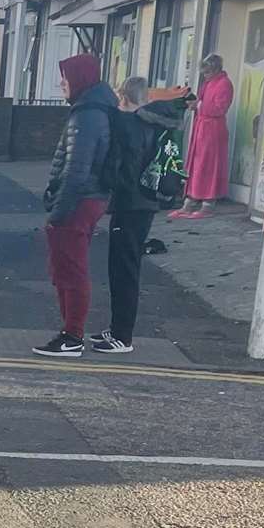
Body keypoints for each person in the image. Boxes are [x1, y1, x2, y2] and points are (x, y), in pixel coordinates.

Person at [93, 76, 188, 354]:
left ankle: (122, 335)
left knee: (123, 270)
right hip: (147, 201)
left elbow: (123, 168)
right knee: (127, 267)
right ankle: (119, 328)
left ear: (124, 98)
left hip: (130, 203)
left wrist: (108, 187)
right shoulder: (156, 122)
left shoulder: (129, 126)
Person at [36, 54, 117, 358]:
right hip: (89, 198)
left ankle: (72, 336)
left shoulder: (87, 115)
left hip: (79, 201)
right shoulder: (95, 109)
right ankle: (69, 333)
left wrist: (58, 213)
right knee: (67, 266)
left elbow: (76, 170)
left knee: (70, 268)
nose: (61, 83)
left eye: (66, 78)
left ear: (79, 78)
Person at [173, 54, 233, 218]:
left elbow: (219, 108)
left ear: (215, 70)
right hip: (202, 127)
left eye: (207, 72)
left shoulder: (224, 84)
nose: (205, 76)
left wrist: (199, 105)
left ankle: (208, 202)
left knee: (209, 165)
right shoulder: (209, 83)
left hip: (212, 129)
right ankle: (191, 200)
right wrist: (195, 104)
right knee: (196, 165)